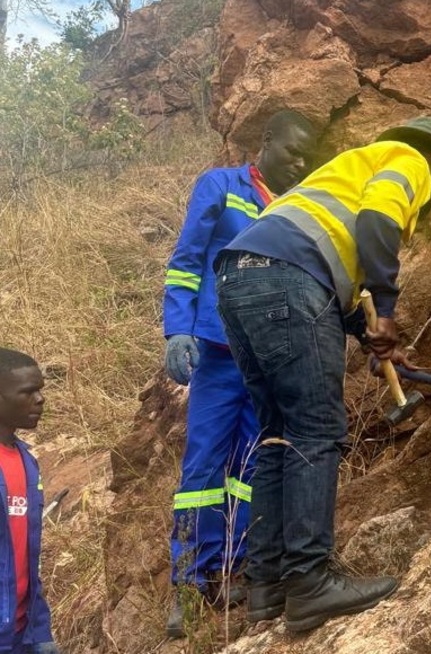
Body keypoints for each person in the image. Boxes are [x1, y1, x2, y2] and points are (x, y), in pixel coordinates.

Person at [214, 116, 431, 633]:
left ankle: (268, 585)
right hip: (289, 279)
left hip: (240, 278)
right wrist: (391, 311)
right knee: (316, 428)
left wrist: (375, 340)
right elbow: (377, 221)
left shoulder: (344, 173)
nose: (428, 199)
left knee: (278, 435)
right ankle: (310, 582)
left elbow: (331, 276)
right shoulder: (413, 159)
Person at [161, 110, 319, 638]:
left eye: (307, 158)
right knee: (201, 467)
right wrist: (177, 327)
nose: (299, 163)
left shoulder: (297, 205)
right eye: (293, 151)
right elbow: (187, 260)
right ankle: (187, 579)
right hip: (217, 351)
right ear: (267, 141)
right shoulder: (221, 186)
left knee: (251, 466)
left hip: (269, 355)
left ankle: (234, 568)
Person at [0, 348, 60, 654]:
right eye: (28, 391)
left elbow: (26, 554)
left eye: (40, 390)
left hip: (24, 633)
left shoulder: (27, 462)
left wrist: (39, 630)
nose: (40, 399)